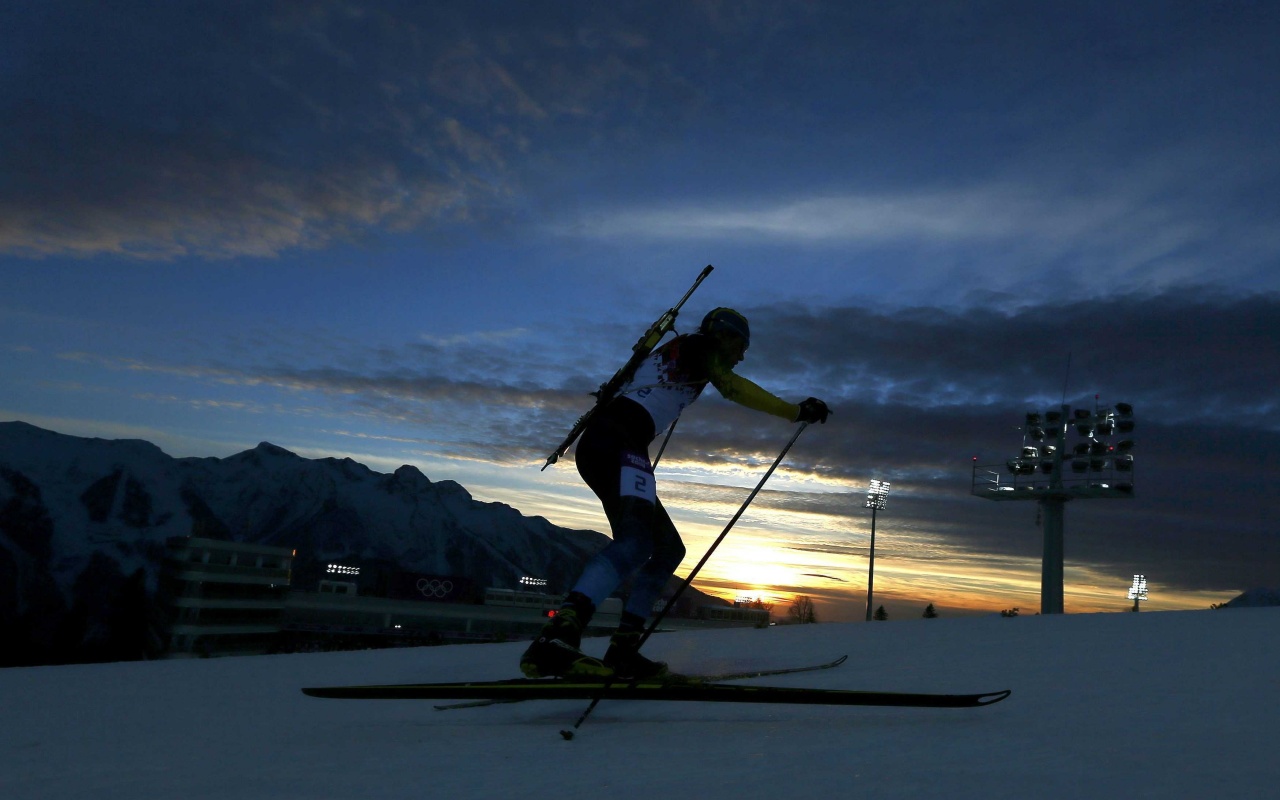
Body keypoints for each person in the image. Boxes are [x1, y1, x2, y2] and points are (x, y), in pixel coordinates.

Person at [520, 307, 830, 680]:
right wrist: (795, 411)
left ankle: (621, 649)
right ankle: (557, 638)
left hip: (610, 443)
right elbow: (731, 386)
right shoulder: (700, 346)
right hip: (619, 442)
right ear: (723, 335)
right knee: (636, 544)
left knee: (667, 548)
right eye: (741, 345)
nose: (742, 354)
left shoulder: (682, 349)